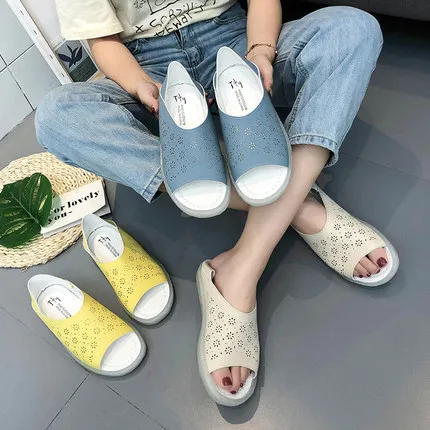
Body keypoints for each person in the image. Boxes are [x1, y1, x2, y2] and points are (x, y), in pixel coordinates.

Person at [36, 0, 394, 399]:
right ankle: (297, 202)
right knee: (56, 117)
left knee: (352, 29)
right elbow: (103, 40)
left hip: (237, 44)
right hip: (149, 69)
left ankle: (242, 267)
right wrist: (140, 86)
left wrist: (261, 52)